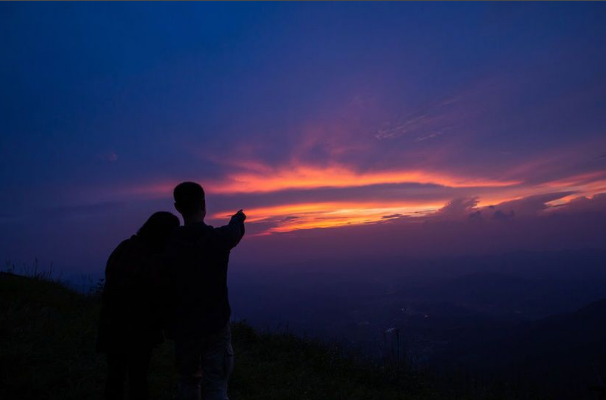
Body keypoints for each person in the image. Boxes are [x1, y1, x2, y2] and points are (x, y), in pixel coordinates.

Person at [164, 181, 245, 400]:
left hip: (183, 326)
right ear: (203, 204)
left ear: (177, 207)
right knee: (217, 385)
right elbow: (234, 232)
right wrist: (238, 218)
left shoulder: (168, 243)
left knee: (188, 382)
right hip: (215, 325)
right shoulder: (217, 239)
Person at [97, 211, 180, 400]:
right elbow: (160, 293)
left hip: (113, 324)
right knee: (138, 379)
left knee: (114, 377)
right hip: (139, 330)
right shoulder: (153, 258)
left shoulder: (124, 247)